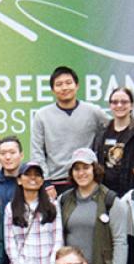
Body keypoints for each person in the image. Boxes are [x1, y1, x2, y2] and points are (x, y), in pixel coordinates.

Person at [30, 66, 109, 195]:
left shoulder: (93, 111)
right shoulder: (42, 115)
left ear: (77, 85)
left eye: (68, 83)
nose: (64, 87)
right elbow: (36, 152)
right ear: (53, 90)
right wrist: (46, 183)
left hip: (86, 179)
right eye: (59, 84)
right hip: (56, 182)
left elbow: (116, 128)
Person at [59, 148, 127, 264]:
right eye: (76, 169)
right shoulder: (64, 200)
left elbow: (120, 242)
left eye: (86, 167)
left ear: (95, 169)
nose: (81, 173)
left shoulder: (111, 200)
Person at [4, 162, 63, 264]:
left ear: (42, 180)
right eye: (27, 174)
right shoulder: (11, 208)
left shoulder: (53, 206)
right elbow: (11, 246)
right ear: (19, 180)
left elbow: (58, 242)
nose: (32, 178)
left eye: (37, 175)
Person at [94, 87, 134, 196]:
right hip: (105, 195)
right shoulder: (102, 133)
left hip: (132, 194)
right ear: (110, 105)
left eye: (124, 102)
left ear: (131, 105)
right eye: (115, 102)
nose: (119, 105)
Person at [0, 136, 24, 207]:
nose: (8, 157)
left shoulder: (30, 181)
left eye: (12, 152)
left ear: (21, 155)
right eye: (3, 153)